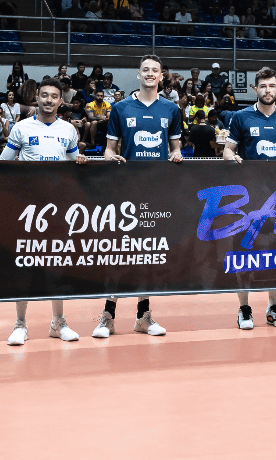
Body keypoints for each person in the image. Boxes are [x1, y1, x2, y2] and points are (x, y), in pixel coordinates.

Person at [93, 55, 183, 339]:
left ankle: (143, 316)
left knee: (147, 254)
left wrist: (177, 154)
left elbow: (175, 148)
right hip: (125, 190)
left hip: (156, 191)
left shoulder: (171, 109)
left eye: (155, 70)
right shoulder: (120, 108)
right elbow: (108, 149)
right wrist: (111, 157)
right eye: (145, 69)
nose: (150, 74)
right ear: (138, 75)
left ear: (161, 76)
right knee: (120, 253)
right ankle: (108, 315)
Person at [0, 78, 88, 345]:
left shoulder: (69, 130)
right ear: (37, 98)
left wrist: (82, 160)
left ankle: (58, 323)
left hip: (59, 210)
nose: (49, 100)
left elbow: (74, 161)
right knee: (25, 266)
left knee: (57, 266)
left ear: (61, 101)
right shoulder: (21, 128)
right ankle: (20, 324)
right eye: (44, 95)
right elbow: (4, 163)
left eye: (54, 97)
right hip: (28, 210)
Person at [224, 67, 276, 331]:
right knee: (244, 250)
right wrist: (232, 159)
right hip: (250, 199)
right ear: (255, 89)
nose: (268, 91)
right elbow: (227, 150)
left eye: (272, 86)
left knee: (275, 252)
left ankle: (273, 307)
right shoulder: (240, 117)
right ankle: (244, 309)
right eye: (263, 86)